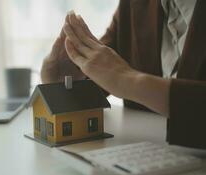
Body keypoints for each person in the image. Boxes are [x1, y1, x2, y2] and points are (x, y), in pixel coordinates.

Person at [40, 0, 206, 149]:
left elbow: (120, 75)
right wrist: (63, 84)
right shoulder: (134, 4)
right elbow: (105, 72)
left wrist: (134, 82)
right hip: (143, 162)